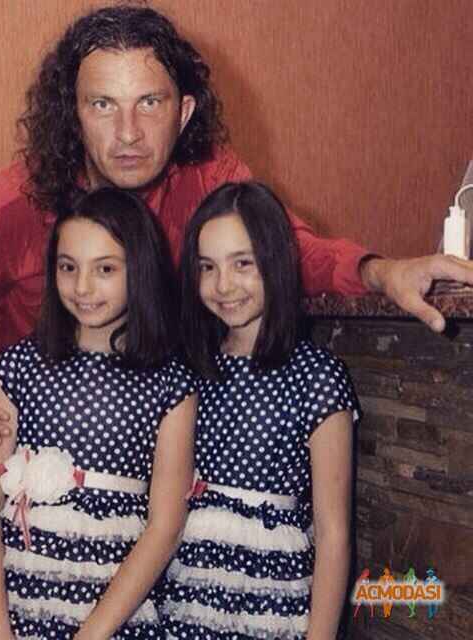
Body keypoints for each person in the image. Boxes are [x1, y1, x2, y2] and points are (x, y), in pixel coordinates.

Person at [0, 4, 473, 450]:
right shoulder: (7, 205)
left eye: (150, 102)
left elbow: (285, 251)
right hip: (41, 460)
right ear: (73, 114)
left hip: (173, 456)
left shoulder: (211, 180)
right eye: (103, 104)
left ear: (184, 111)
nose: (128, 133)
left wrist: (380, 272)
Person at [0, 188, 197, 640]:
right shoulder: (18, 367)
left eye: (105, 269)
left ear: (140, 270)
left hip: (113, 612)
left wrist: (91, 634)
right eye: (68, 267)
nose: (82, 287)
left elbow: (165, 525)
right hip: (15, 601)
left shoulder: (170, 384)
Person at [161, 181, 358, 639]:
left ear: (276, 260)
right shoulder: (188, 368)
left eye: (243, 263)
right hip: (185, 596)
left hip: (272, 603)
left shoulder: (318, 376)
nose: (223, 285)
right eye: (207, 267)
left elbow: (333, 535)